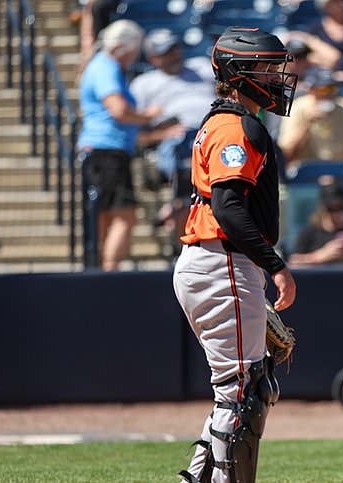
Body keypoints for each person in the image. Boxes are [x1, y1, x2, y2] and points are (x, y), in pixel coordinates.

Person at [172, 26, 298, 483]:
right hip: (222, 260)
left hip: (212, 262)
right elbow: (227, 207)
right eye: (267, 67)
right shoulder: (233, 125)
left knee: (240, 388)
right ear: (238, 73)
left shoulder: (221, 120)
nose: (276, 77)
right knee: (244, 393)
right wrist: (277, 266)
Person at [77, 19, 176, 271]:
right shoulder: (106, 67)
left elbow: (123, 126)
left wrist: (156, 134)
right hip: (106, 153)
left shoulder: (102, 66)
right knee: (125, 216)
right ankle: (107, 274)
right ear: (123, 46)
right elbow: (119, 111)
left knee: (105, 218)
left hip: (105, 151)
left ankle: (97, 271)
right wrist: (149, 115)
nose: (135, 57)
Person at [130, 28, 215, 249]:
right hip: (176, 139)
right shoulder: (143, 85)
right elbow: (133, 134)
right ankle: (186, 199)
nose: (174, 54)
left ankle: (184, 203)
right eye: (166, 52)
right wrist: (161, 134)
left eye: (175, 48)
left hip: (214, 132)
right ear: (152, 58)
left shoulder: (202, 68)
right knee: (181, 155)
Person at [277, 68, 343, 166]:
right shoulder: (296, 109)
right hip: (306, 171)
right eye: (323, 90)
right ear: (310, 91)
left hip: (339, 170)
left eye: (332, 88)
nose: (328, 94)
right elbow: (286, 154)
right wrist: (306, 124)